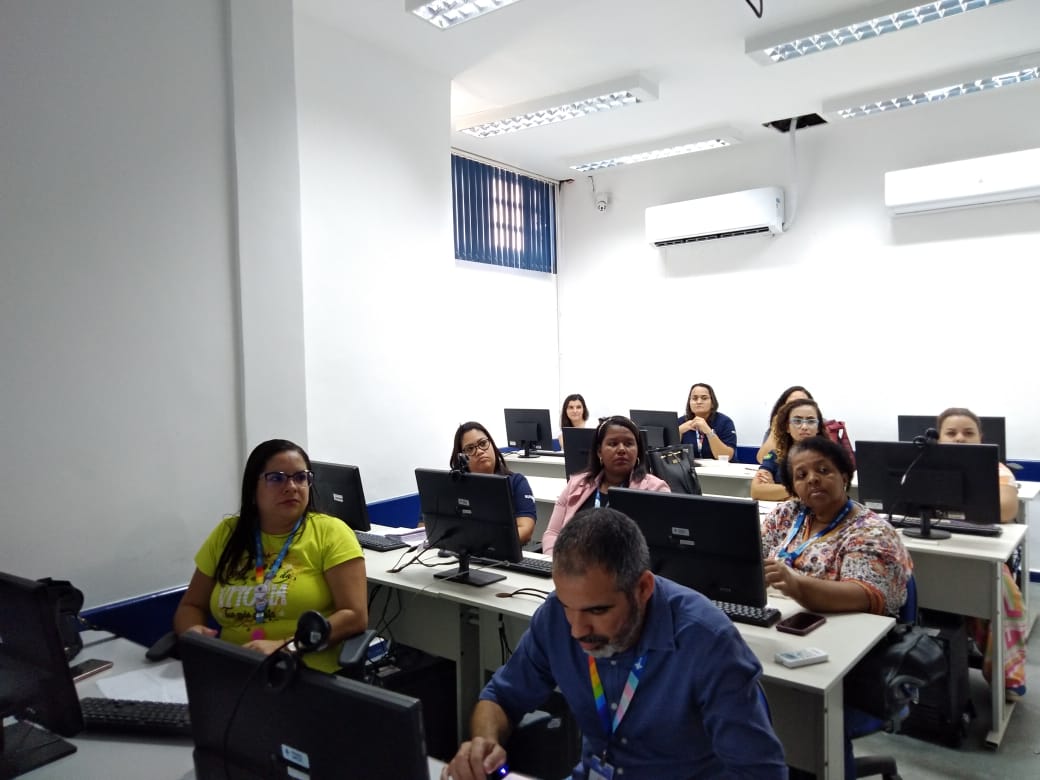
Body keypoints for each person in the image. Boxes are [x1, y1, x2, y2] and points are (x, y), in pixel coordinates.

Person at [441, 509, 788, 780]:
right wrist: (483, 743)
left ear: (643, 589)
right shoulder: (555, 618)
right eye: (567, 607)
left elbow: (760, 772)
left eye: (597, 610)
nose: (577, 630)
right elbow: (501, 697)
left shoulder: (707, 641)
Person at [173, 439, 368, 673]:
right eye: (276, 478)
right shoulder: (228, 534)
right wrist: (193, 632)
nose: (291, 487)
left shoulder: (331, 533)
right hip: (231, 670)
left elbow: (354, 616)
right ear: (253, 489)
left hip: (303, 672)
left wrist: (286, 646)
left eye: (300, 477)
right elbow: (191, 605)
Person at [762, 436, 912, 618]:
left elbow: (864, 595)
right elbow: (751, 559)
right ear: (793, 488)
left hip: (845, 629)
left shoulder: (871, 531)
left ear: (844, 476)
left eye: (823, 470)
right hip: (782, 617)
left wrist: (797, 585)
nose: (813, 479)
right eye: (801, 475)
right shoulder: (786, 514)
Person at [936, 407, 1026, 700]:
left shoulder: (997, 470)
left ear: (980, 438)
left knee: (1003, 595)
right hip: (933, 548)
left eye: (967, 433)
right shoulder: (924, 468)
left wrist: (949, 504)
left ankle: (1006, 676)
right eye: (951, 433)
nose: (959, 439)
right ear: (938, 439)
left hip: (979, 551)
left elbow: (1006, 509)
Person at [541, 416, 669, 554]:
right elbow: (552, 533)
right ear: (599, 451)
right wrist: (554, 562)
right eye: (613, 444)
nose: (621, 449)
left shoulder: (656, 489)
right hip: (573, 569)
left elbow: (661, 548)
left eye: (629, 443)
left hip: (625, 571)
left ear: (638, 450)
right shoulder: (576, 483)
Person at [450, 422, 537, 545]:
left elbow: (525, 530)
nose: (479, 451)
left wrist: (485, 545)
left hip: (502, 555)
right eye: (470, 449)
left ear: (492, 444)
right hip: (459, 553)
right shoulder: (452, 485)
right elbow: (427, 527)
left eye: (483, 443)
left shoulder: (516, 482)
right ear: (461, 457)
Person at [751, 398, 827, 501]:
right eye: (797, 421)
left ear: (818, 427)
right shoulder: (776, 455)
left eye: (811, 421)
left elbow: (825, 495)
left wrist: (775, 491)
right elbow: (756, 491)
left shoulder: (828, 457)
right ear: (787, 427)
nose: (804, 426)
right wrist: (799, 491)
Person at [677, 382, 736, 461]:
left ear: (712, 403)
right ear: (689, 403)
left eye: (704, 398)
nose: (699, 402)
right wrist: (678, 432)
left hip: (720, 470)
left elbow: (726, 457)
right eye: (694, 398)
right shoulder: (680, 422)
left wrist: (709, 432)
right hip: (689, 470)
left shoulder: (725, 422)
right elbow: (668, 457)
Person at [756, 385, 813, 463]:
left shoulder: (821, 425)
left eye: (802, 403)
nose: (797, 407)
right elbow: (763, 459)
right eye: (791, 403)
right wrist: (777, 425)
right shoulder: (775, 428)